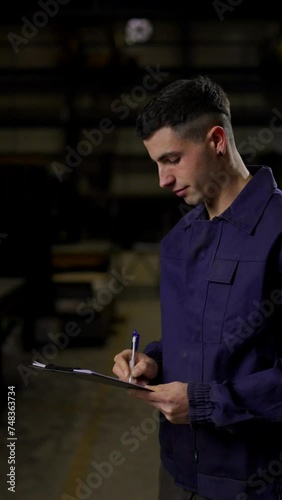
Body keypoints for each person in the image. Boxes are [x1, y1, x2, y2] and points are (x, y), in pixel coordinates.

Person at [112, 75, 282, 500]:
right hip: (177, 473)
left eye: (171, 159)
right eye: (156, 163)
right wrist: (152, 360)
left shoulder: (278, 231)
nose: (162, 180)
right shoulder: (180, 241)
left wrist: (206, 404)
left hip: (255, 482)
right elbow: (200, 340)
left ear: (217, 140)